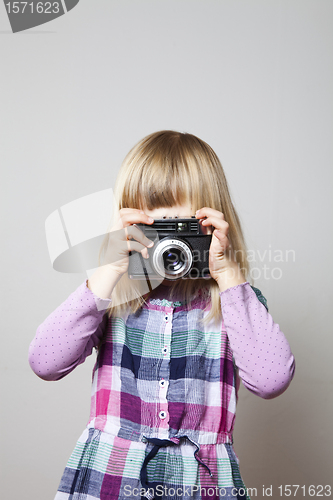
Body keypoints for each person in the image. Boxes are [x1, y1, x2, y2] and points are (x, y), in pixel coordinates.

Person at [29, 130, 295, 500]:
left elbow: (271, 380)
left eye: (181, 229)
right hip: (110, 476)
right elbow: (44, 361)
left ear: (211, 226)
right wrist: (104, 272)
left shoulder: (234, 303)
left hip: (200, 483)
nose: (168, 244)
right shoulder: (112, 296)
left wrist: (229, 275)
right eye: (153, 228)